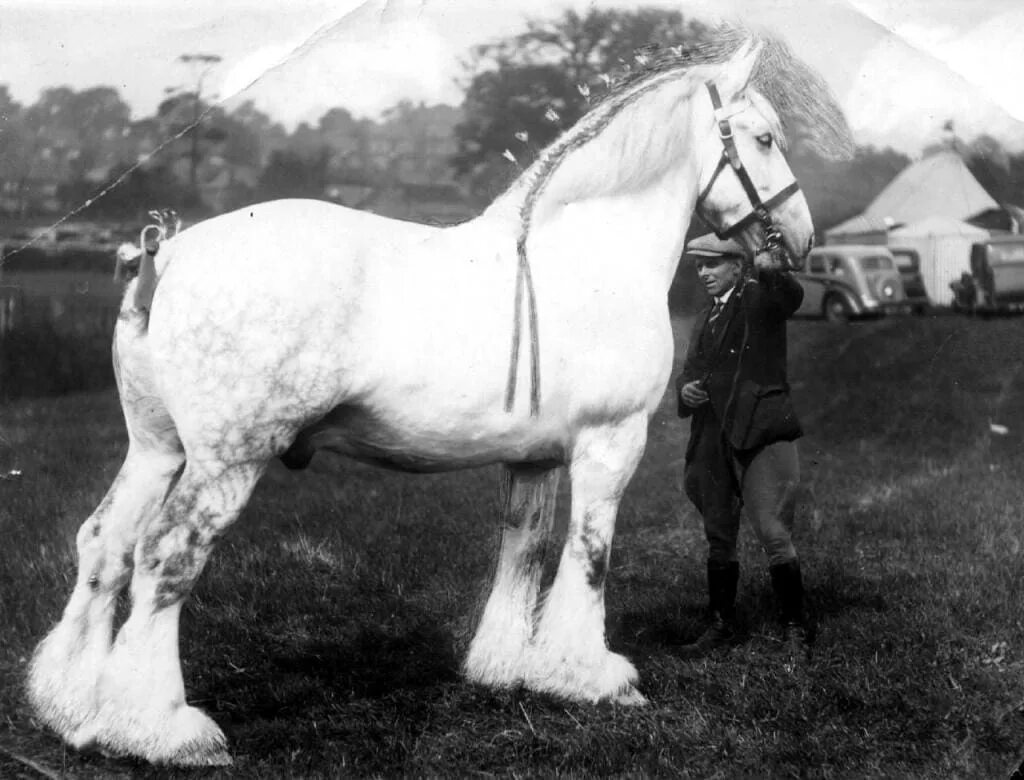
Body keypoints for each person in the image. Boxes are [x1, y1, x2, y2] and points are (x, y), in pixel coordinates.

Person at [675, 233, 811, 658]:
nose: (704, 273)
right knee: (718, 535)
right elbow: (689, 372)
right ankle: (721, 626)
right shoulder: (707, 316)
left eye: (712, 264)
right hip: (713, 436)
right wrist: (686, 392)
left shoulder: (759, 298)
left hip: (760, 429)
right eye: (698, 266)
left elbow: (790, 297)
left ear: (738, 265)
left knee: (773, 531)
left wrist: (772, 269)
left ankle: (796, 630)